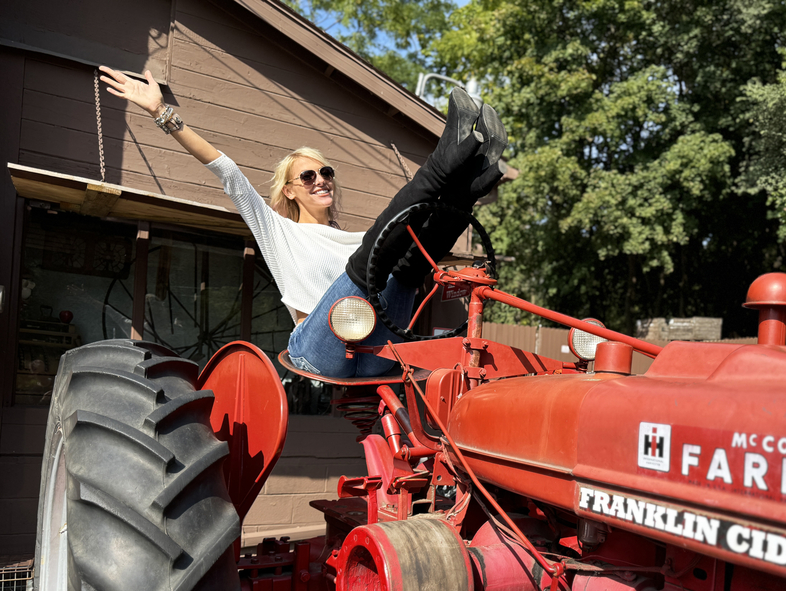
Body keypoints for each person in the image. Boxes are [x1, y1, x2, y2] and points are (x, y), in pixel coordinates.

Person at [99, 66, 506, 377]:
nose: (321, 180)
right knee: (374, 256)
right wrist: (161, 112)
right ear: (290, 191)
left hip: (377, 353)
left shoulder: (354, 240)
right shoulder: (278, 231)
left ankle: (473, 180)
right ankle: (444, 158)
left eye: (326, 172)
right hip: (319, 351)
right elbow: (227, 171)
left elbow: (402, 240)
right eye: (308, 176)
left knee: (406, 260)